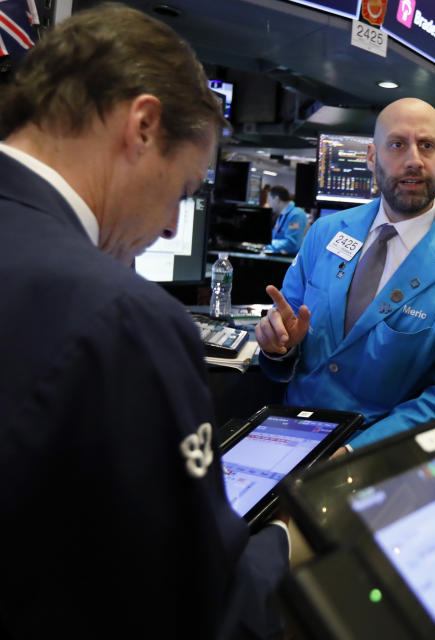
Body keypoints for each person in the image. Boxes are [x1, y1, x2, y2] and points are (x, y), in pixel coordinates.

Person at [0, 5, 289, 636]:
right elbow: (201, 606)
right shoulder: (126, 318)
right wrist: (287, 545)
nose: (168, 226)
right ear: (144, 125)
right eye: (184, 192)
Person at [256, 98, 435, 449]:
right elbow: (285, 336)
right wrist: (278, 348)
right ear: (372, 157)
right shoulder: (326, 234)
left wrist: (357, 452)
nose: (413, 160)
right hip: (290, 435)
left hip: (384, 457)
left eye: (427, 145)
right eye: (396, 145)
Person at [265, 185, 308, 254]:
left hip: (290, 259)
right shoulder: (282, 214)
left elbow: (292, 244)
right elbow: (275, 235)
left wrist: (266, 244)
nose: (268, 204)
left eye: (269, 200)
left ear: (277, 199)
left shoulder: (296, 215)